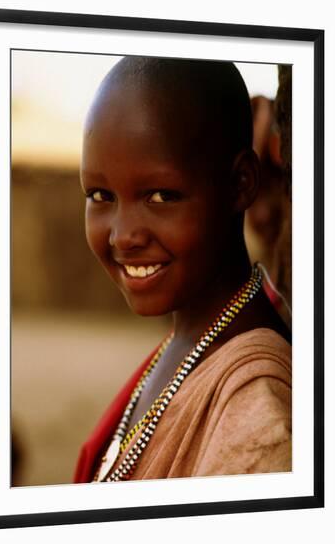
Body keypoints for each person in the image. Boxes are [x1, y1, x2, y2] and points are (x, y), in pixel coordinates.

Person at [74, 56, 292, 484]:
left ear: (241, 183)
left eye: (160, 196)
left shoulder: (255, 413)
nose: (122, 236)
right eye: (100, 194)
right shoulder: (190, 338)